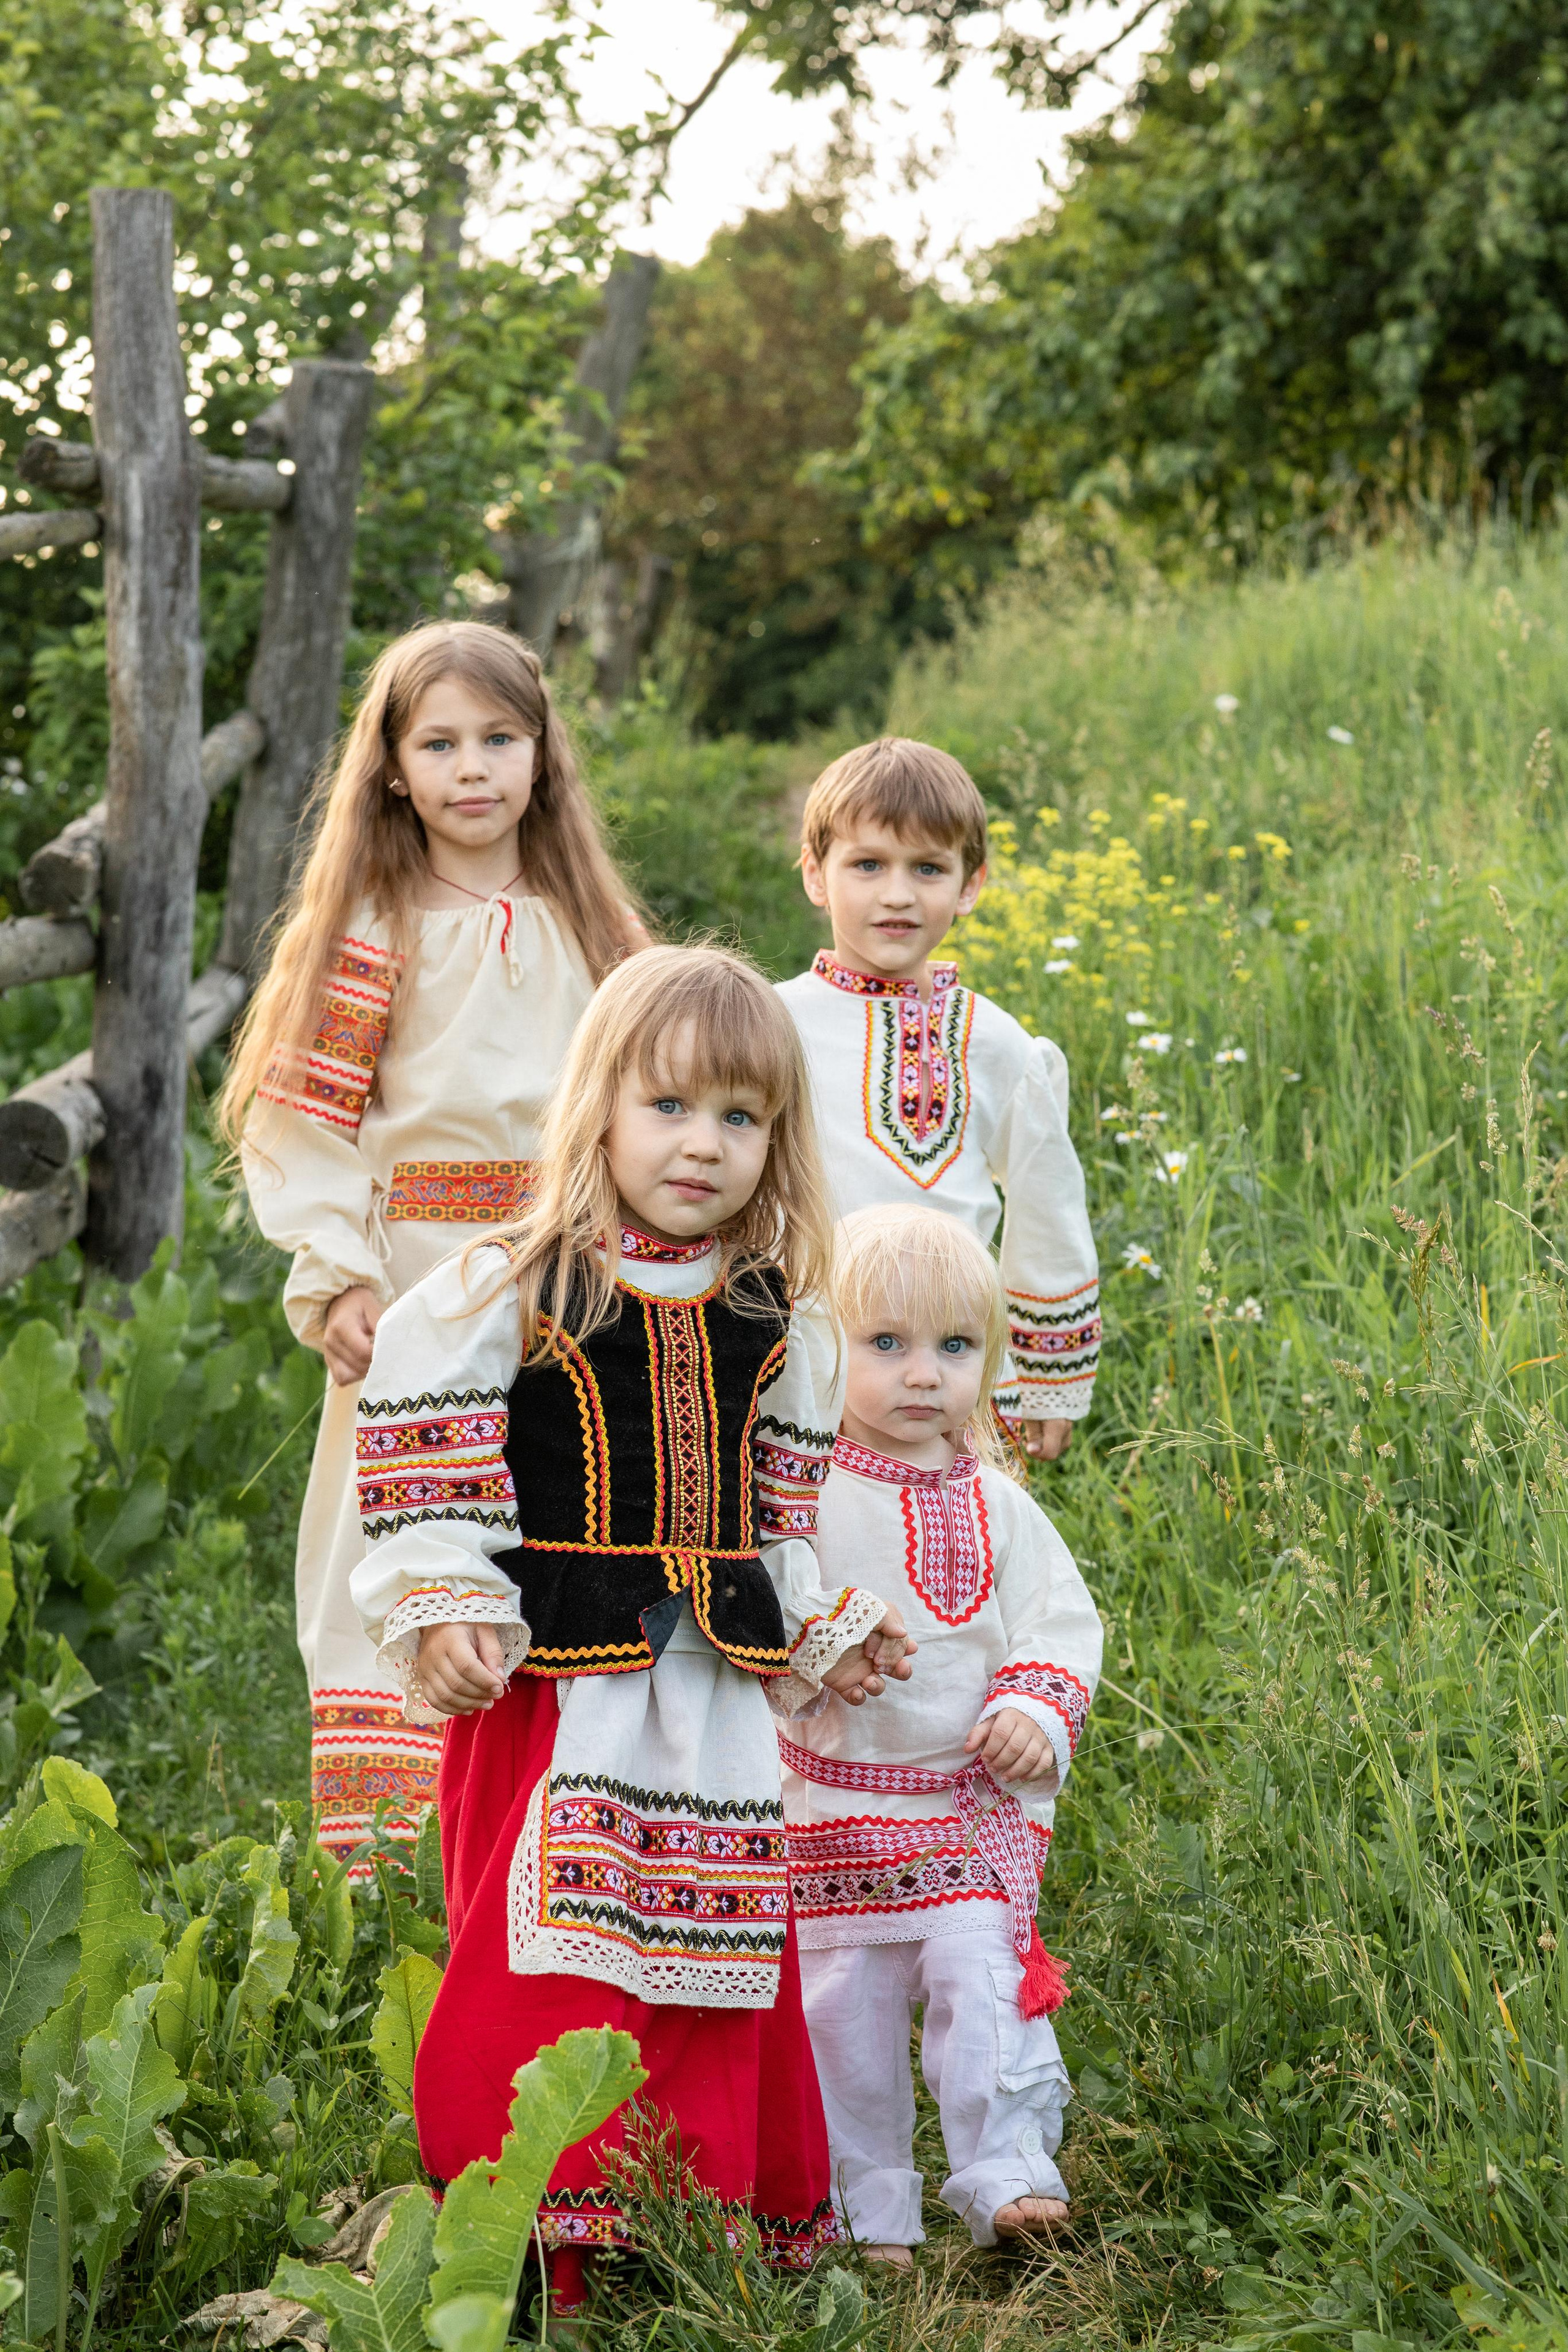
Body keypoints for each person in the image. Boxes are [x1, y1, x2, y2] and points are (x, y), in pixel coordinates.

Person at [349, 944, 914, 2312]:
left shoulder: (776, 1320)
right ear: (599, 1104)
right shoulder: (517, 1284)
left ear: (775, 1140)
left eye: (739, 1118)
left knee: (713, 1945)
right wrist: (448, 1604)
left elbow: (779, 1524)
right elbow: (429, 1469)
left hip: (707, 1683)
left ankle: (699, 2210)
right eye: (668, 1108)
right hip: (554, 1684)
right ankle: (536, 2228)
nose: (702, 1146)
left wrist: (825, 1630)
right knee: (548, 1952)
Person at [219, 620, 644, 1868]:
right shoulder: (373, 925)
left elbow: (655, 1089)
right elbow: (303, 1115)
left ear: (541, 755)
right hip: (418, 1273)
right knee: (403, 1517)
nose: (473, 769)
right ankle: (393, 1857)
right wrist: (339, 1271)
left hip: (576, 1270)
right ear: (393, 767)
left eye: (499, 740)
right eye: (441, 743)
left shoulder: (594, 921)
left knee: (567, 1505)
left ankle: (561, 1815)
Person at [783, 1201, 1102, 2264]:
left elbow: (1059, 1617)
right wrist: (816, 1646)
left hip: (964, 1808)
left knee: (987, 1988)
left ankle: (1008, 2177)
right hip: (832, 1805)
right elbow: (769, 1611)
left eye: (956, 1348)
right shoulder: (804, 1491)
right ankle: (869, 2209)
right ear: (825, 1350)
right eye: (888, 1345)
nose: (925, 1375)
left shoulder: (1000, 1504)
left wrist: (1030, 1706)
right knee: (845, 2020)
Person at [776, 737, 1100, 1462]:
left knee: (955, 1549)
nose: (897, 894)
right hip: (803, 1362)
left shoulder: (997, 1043)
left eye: (927, 868)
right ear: (815, 875)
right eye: (868, 865)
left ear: (969, 885)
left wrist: (1046, 1376)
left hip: (948, 1378)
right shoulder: (771, 1025)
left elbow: (1047, 1202)